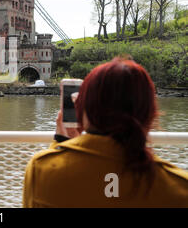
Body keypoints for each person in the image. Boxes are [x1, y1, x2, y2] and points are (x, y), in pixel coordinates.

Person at [23, 57, 188, 207]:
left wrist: (61, 144)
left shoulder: (42, 171)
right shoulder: (179, 187)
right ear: (151, 115)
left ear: (82, 110)